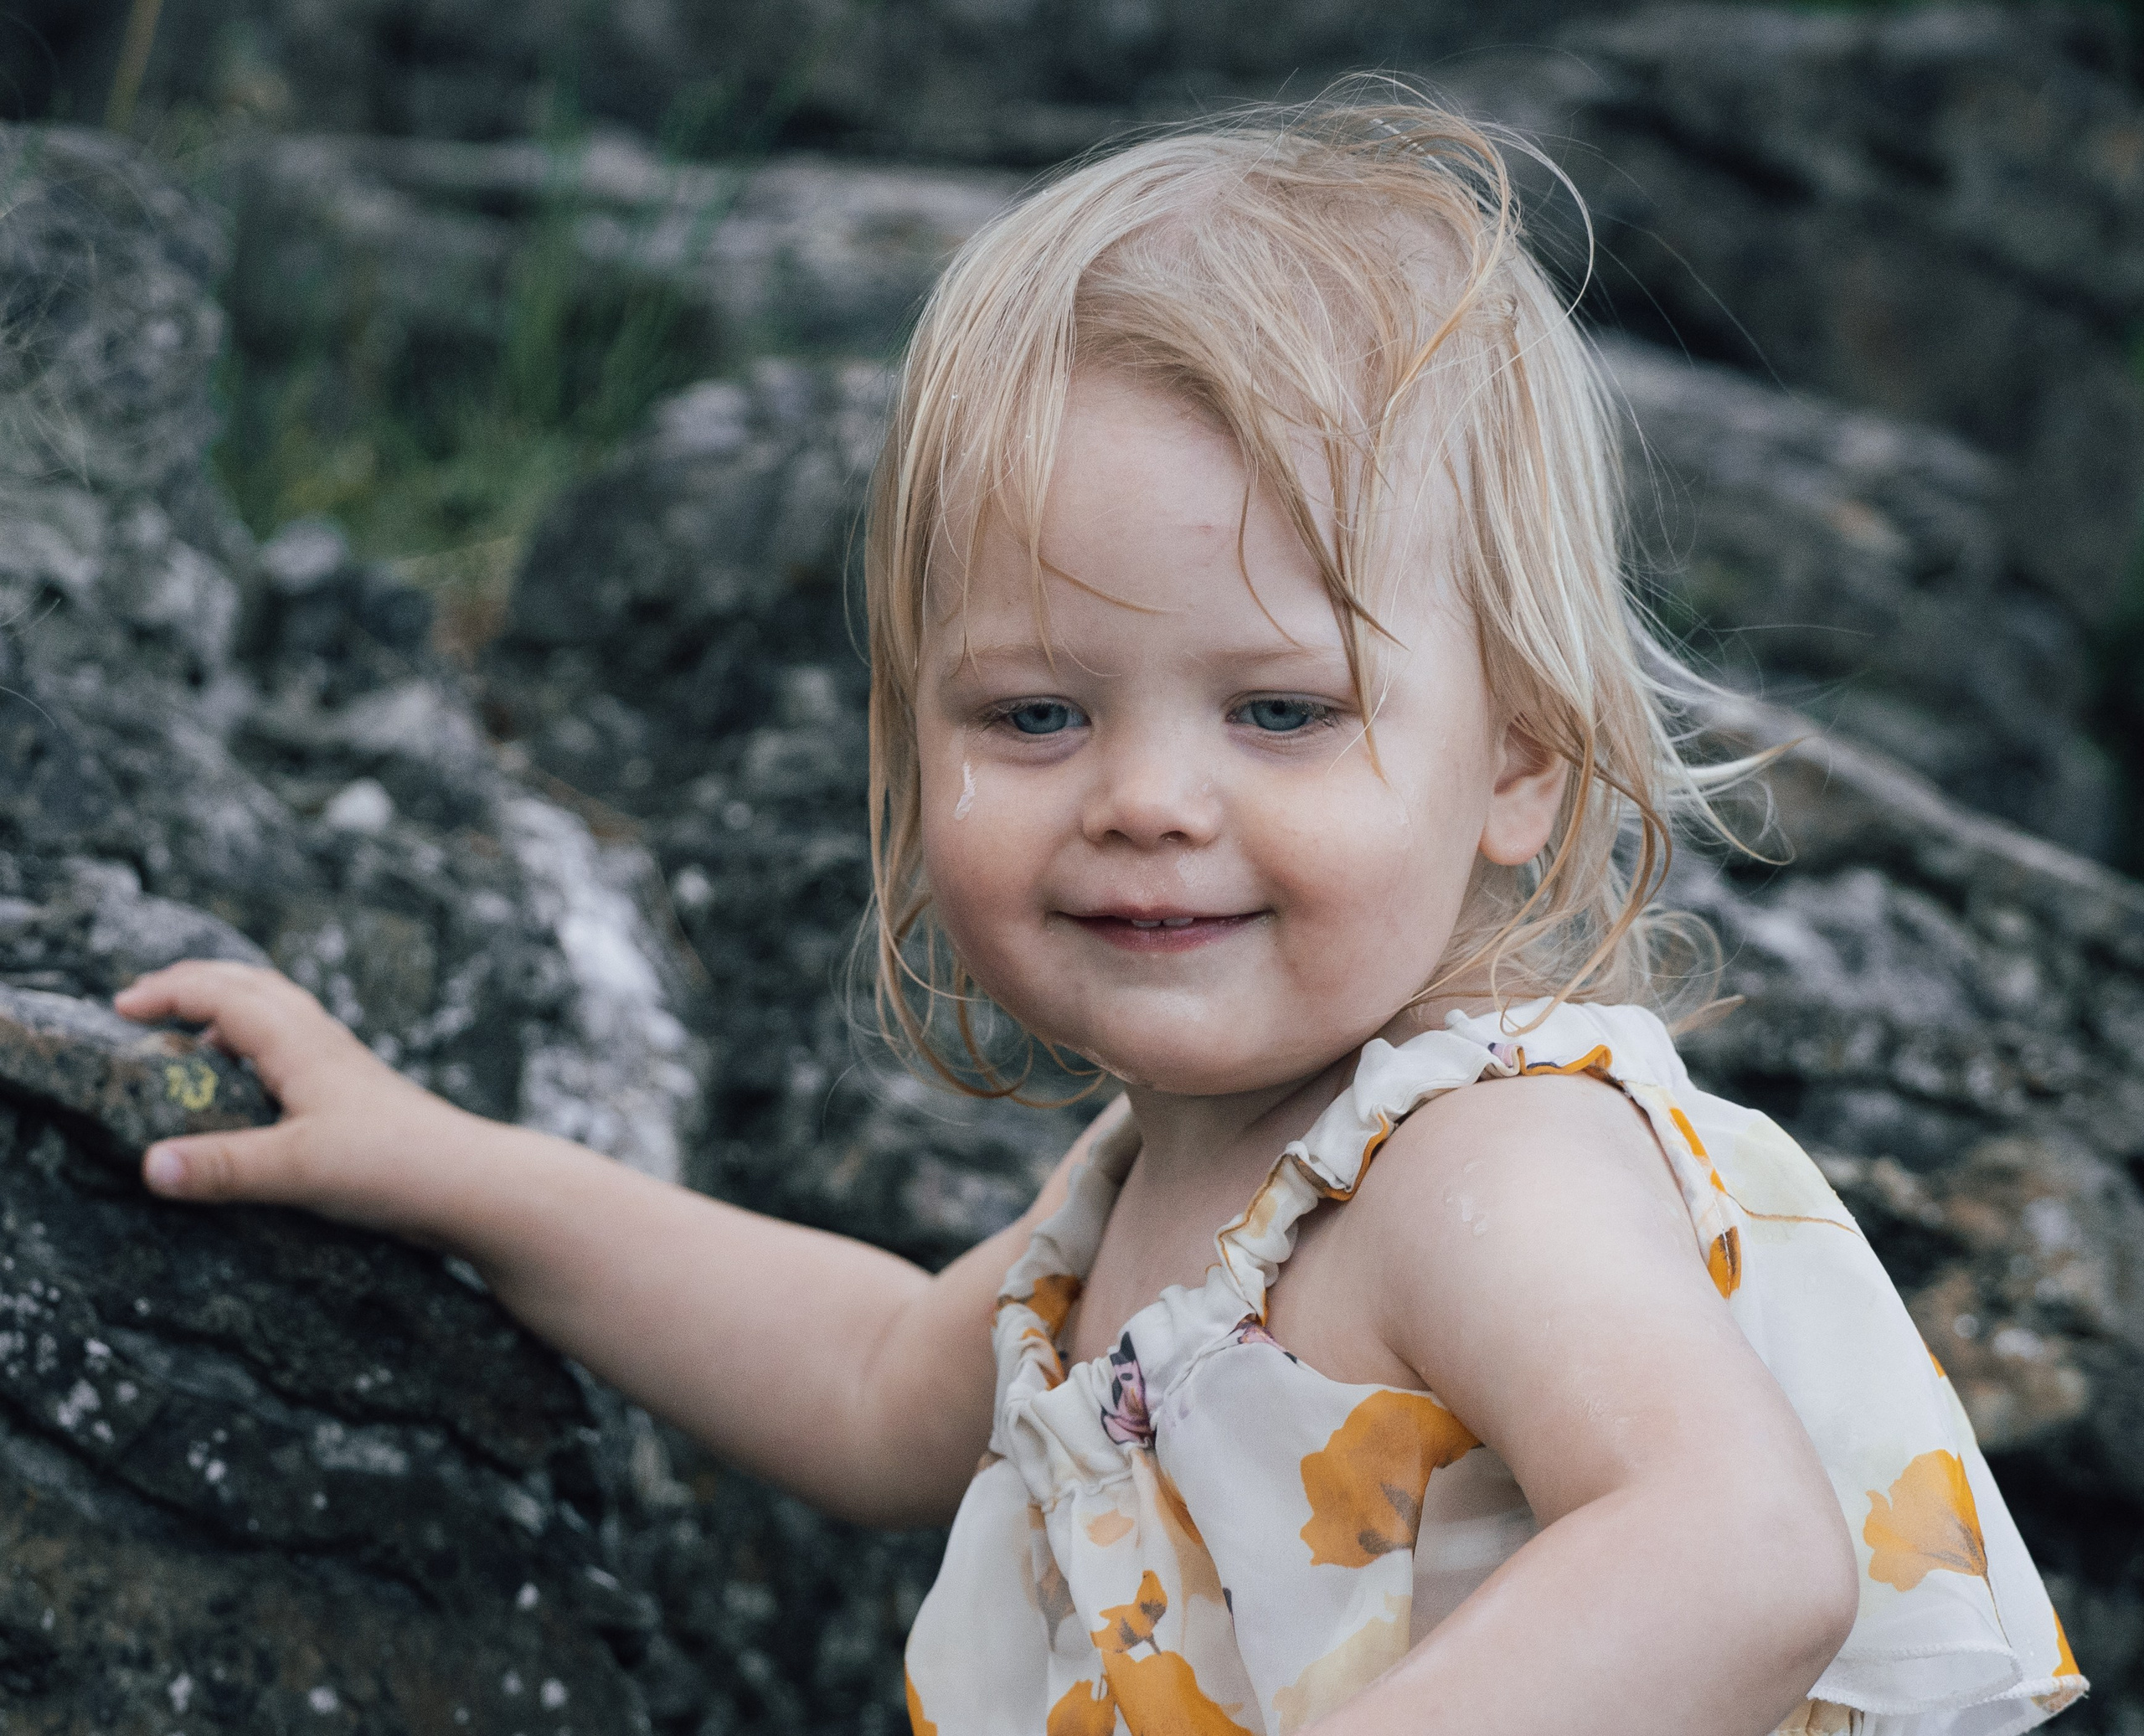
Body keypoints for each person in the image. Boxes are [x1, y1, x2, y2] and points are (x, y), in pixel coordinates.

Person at [115, 94, 2084, 1736]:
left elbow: (1732, 1548)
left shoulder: (1483, 1161)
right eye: (1034, 713)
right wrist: (437, 1162)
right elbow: (866, 1376)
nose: (1144, 798)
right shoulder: (1159, 1191)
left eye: (1280, 711)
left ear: (1516, 761)